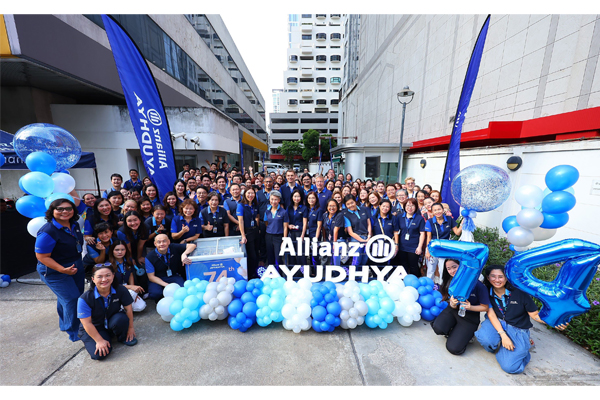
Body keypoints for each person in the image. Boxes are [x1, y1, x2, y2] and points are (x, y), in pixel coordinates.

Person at [474, 264, 568, 374]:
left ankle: (525, 346)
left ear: (506, 278)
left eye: (500, 276)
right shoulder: (486, 291)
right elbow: (491, 315)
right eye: (493, 276)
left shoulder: (520, 293)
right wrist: (503, 336)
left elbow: (534, 315)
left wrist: (554, 321)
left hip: (516, 327)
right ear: (488, 277)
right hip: (497, 322)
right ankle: (498, 344)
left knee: (510, 367)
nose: (497, 280)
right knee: (486, 339)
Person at [35, 199, 85, 342]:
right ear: (52, 211)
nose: (65, 212)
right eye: (60, 209)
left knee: (70, 297)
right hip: (55, 270)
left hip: (75, 265)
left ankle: (65, 324)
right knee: (72, 299)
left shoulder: (74, 224)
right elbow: (42, 256)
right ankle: (75, 332)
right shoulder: (48, 231)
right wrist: (62, 269)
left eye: (68, 208)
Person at [77, 263, 137, 360]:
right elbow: (87, 323)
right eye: (99, 277)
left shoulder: (121, 290)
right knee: (99, 354)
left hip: (111, 320)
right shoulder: (85, 299)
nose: (104, 279)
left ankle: (122, 337)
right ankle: (105, 337)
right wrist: (99, 340)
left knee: (121, 318)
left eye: (108, 275)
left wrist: (130, 328)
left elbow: (128, 309)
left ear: (113, 276)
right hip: (95, 327)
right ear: (93, 279)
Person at [431, 259, 489, 355]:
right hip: (454, 311)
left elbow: (485, 307)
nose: (452, 271)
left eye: (454, 267)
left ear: (462, 266)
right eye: (448, 268)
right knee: (438, 328)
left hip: (469, 318)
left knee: (453, 348)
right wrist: (452, 304)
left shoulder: (478, 285)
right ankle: (453, 329)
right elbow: (450, 301)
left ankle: (467, 335)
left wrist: (470, 307)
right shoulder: (451, 281)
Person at [145, 234, 196, 300]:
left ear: (169, 242)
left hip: (173, 276)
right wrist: (167, 285)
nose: (162, 244)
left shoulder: (173, 247)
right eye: (159, 242)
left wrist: (184, 254)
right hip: (158, 278)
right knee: (155, 294)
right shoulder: (149, 257)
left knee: (183, 289)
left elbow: (192, 245)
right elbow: (151, 277)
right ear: (155, 244)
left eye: (164, 241)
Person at [424, 202, 462, 283]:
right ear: (432, 212)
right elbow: (429, 237)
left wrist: (462, 224)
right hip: (433, 248)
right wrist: (428, 251)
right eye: (435, 210)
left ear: (443, 209)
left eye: (439, 209)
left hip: (444, 249)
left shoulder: (449, 219)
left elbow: (457, 232)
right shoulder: (430, 221)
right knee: (430, 270)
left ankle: (442, 286)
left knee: (442, 270)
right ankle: (429, 286)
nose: (437, 212)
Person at [396, 198, 426, 277]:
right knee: (403, 266)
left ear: (416, 207)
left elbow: (422, 233)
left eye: (412, 206)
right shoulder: (399, 217)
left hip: (414, 247)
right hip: (402, 246)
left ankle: (415, 281)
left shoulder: (420, 218)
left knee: (413, 266)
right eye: (408, 205)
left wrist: (419, 247)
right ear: (404, 207)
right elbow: (396, 232)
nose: (410, 208)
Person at [343, 195, 372, 267]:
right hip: (356, 239)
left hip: (367, 237)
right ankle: (353, 274)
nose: (350, 205)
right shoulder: (345, 214)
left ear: (355, 201)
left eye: (352, 203)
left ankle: (361, 274)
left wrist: (369, 237)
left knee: (365, 260)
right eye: (348, 204)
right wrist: (363, 241)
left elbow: (369, 224)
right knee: (357, 261)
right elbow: (350, 232)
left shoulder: (364, 209)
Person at [238, 187, 260, 279]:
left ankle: (256, 273)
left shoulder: (255, 205)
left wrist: (257, 227)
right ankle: (250, 275)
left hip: (255, 231)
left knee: (257, 253)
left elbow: (257, 216)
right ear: (245, 194)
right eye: (248, 193)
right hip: (247, 231)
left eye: (252, 193)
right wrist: (243, 235)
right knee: (252, 255)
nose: (250, 195)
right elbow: (241, 221)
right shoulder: (241, 205)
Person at [263, 190, 288, 268]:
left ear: (279, 200)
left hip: (278, 237)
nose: (273, 201)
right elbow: (266, 223)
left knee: (278, 257)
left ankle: (279, 273)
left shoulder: (283, 212)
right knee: (270, 256)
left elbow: (285, 227)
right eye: (272, 199)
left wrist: (284, 239)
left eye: (276, 199)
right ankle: (272, 273)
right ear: (269, 199)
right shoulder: (267, 211)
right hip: (269, 236)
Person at [370, 199, 399, 265]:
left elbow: (396, 232)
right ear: (379, 206)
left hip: (388, 244)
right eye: (383, 206)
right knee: (376, 263)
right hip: (376, 245)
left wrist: (396, 245)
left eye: (387, 207)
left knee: (387, 264)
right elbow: (371, 231)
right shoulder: (374, 218)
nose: (385, 208)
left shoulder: (393, 218)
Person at [286, 189, 308, 266]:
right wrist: (288, 226)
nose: (296, 198)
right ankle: (292, 270)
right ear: (292, 197)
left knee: (301, 254)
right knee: (291, 253)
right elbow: (286, 221)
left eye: (298, 196)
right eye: (295, 196)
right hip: (291, 233)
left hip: (300, 233)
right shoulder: (289, 208)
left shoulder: (304, 208)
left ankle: (302, 271)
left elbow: (305, 223)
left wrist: (302, 235)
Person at [322, 199, 346, 266]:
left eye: (334, 206)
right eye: (330, 206)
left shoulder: (339, 215)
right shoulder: (325, 215)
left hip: (338, 239)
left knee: (335, 255)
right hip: (329, 239)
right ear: (327, 207)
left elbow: (336, 230)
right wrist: (324, 239)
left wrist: (334, 243)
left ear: (337, 207)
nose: (332, 208)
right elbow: (323, 228)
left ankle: (336, 270)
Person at [305, 191, 323, 266]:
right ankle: (310, 270)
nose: (311, 200)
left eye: (313, 198)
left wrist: (316, 238)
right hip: (306, 235)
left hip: (314, 235)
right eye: (309, 198)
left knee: (315, 255)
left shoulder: (319, 210)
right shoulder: (306, 209)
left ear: (316, 199)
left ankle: (316, 271)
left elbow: (319, 226)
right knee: (307, 254)